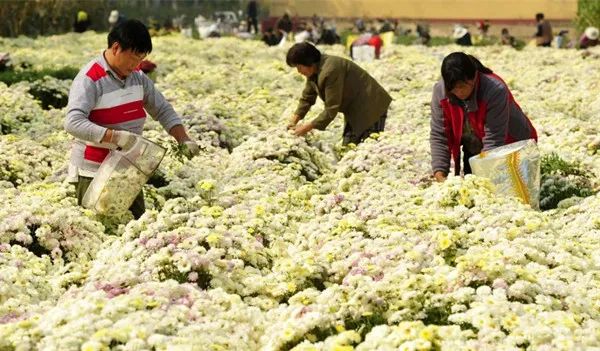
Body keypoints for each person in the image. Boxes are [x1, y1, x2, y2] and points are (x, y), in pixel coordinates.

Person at [64, 20, 199, 219]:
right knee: (103, 232)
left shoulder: (137, 77)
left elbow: (162, 109)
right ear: (116, 47)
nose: (137, 65)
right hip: (94, 174)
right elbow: (73, 122)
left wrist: (183, 139)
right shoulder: (89, 79)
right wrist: (115, 137)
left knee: (135, 231)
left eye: (141, 59)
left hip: (128, 171)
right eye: (134, 58)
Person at [430, 52, 537, 182]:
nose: (458, 92)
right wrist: (440, 173)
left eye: (462, 87)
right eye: (453, 88)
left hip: (511, 145)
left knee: (511, 191)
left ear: (474, 78)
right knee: (472, 188)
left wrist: (483, 180)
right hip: (475, 145)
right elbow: (440, 135)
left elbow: (494, 139)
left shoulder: (494, 90)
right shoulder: (441, 92)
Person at [286, 42, 392, 145]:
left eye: (299, 67)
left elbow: (331, 108)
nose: (298, 71)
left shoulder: (330, 70)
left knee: (366, 145)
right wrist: (293, 121)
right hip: (355, 109)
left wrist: (306, 127)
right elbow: (307, 98)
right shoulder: (313, 72)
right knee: (350, 147)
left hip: (371, 106)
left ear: (309, 62)